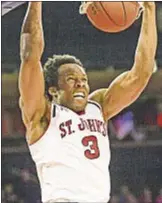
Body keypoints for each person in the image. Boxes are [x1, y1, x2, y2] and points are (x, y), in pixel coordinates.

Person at [18, 2, 157, 203]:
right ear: (53, 90)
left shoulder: (98, 107)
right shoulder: (41, 115)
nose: (80, 85)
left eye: (83, 80)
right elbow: (30, 56)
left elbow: (141, 73)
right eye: (71, 80)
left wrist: (150, 10)